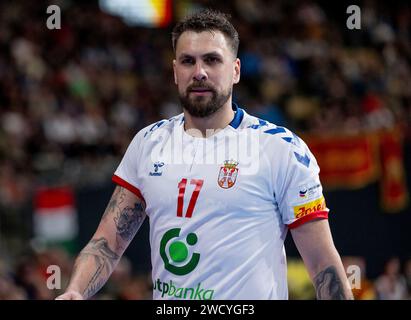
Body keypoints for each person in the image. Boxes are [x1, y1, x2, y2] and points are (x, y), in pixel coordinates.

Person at [56, 9, 353, 300]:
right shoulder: (148, 143)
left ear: (235, 70)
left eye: (212, 60)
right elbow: (106, 243)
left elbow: (322, 264)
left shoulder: (281, 149)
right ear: (175, 72)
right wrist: (75, 290)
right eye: (188, 61)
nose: (199, 72)